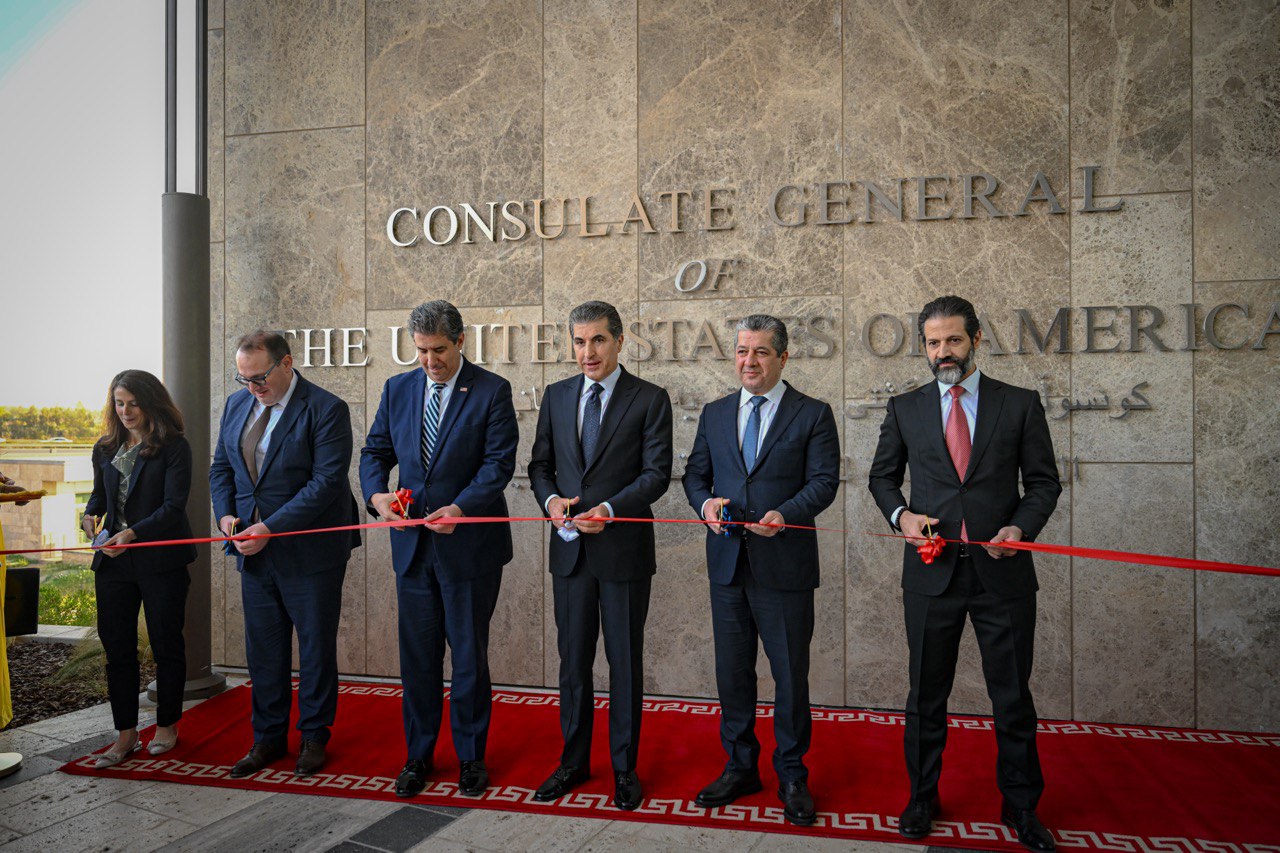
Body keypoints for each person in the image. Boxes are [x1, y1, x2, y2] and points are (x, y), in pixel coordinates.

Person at [868, 295, 1062, 851]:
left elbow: (1043, 483)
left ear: (976, 339)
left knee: (1012, 696)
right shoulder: (905, 409)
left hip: (1003, 575)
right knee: (926, 694)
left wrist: (1020, 529)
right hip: (930, 576)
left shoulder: (1020, 404)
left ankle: (1022, 806)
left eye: (953, 340)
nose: (942, 352)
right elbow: (882, 480)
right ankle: (922, 797)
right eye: (932, 342)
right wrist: (902, 517)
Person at [682, 315, 840, 826]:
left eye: (761, 353)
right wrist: (705, 505)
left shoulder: (813, 414)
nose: (750, 362)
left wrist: (786, 514)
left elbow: (823, 482)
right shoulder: (715, 412)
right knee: (733, 674)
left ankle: (792, 773)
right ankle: (740, 766)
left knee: (790, 675)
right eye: (742, 352)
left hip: (784, 566)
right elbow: (695, 476)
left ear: (783, 357)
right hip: (727, 566)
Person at [360, 300, 518, 799]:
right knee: (419, 660)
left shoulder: (492, 390)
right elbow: (374, 452)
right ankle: (419, 756)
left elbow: (497, 465)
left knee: (469, 658)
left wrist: (462, 507)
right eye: (423, 351)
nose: (431, 361)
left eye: (440, 350)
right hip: (412, 550)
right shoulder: (397, 388)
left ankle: (471, 758)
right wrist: (376, 495)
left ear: (461, 342)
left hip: (468, 549)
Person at [527, 300, 672, 811]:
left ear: (619, 340)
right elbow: (540, 466)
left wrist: (609, 509)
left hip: (623, 553)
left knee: (624, 663)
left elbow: (656, 474)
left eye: (597, 341)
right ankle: (572, 762)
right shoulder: (557, 395)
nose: (587, 352)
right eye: (579, 341)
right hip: (569, 553)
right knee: (572, 664)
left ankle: (625, 768)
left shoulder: (650, 398)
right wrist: (550, 504)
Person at [210, 330, 360, 779]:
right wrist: (226, 518)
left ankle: (315, 735)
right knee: (264, 652)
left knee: (314, 648)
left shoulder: (327, 409)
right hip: (252, 551)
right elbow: (222, 468)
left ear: (287, 363)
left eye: (259, 378)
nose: (252, 388)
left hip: (310, 551)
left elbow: (326, 483)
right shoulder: (238, 405)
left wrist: (270, 528)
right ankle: (268, 738)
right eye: (244, 379)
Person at [80, 370, 196, 767]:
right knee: (118, 649)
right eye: (118, 403)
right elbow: (98, 498)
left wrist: (131, 535)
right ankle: (125, 734)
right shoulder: (104, 447)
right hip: (113, 564)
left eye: (133, 402)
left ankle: (167, 725)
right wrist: (89, 517)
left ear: (150, 401)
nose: (125, 411)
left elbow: (172, 508)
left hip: (161, 561)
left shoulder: (174, 447)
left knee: (167, 645)